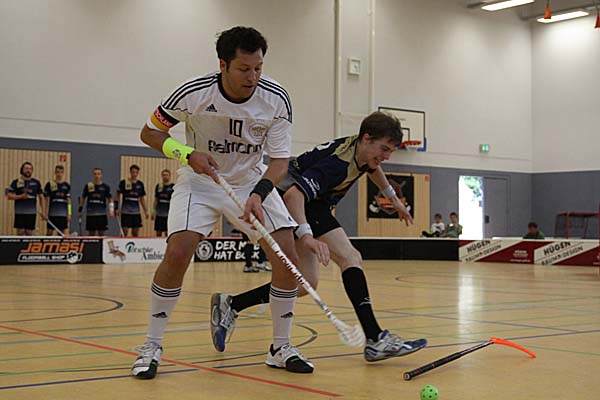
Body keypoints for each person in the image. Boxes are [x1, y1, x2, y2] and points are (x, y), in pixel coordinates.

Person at [132, 26, 313, 379]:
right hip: (200, 181)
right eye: (244, 69)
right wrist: (187, 154)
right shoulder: (193, 93)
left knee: (287, 257)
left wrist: (259, 194)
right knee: (178, 253)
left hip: (251, 182)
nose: (252, 77)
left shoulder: (276, 99)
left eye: (258, 68)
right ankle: (151, 345)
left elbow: (279, 161)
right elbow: (150, 132)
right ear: (223, 65)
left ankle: (280, 347)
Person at [212, 112, 427, 363]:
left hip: (312, 204)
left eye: (390, 151)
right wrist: (306, 236)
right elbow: (293, 196)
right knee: (350, 257)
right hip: (295, 203)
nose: (386, 157)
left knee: (304, 284)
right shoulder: (337, 165)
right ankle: (375, 338)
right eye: (384, 149)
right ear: (367, 138)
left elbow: (373, 168)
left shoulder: (361, 149)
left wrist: (394, 199)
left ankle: (232, 304)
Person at [6, 162, 45, 235]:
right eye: (26, 168)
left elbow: (41, 197)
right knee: (20, 232)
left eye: (30, 169)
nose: (28, 170)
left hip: (31, 212)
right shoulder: (16, 182)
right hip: (19, 212)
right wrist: (20, 196)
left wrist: (43, 211)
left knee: (29, 233)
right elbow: (9, 196)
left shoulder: (36, 182)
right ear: (22, 170)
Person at [117, 164, 149, 237]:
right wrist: (116, 207)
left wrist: (146, 211)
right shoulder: (124, 183)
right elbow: (117, 195)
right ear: (130, 172)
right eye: (133, 172)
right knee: (124, 232)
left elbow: (142, 199)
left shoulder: (140, 184)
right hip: (125, 212)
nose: (134, 174)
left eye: (136, 172)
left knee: (135, 232)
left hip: (136, 212)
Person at [80, 167, 114, 236]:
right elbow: (83, 197)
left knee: (101, 234)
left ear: (101, 175)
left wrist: (111, 209)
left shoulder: (105, 187)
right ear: (93, 175)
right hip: (91, 214)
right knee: (91, 234)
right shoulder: (89, 186)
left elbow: (110, 198)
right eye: (95, 174)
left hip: (102, 214)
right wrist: (80, 209)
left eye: (98, 174)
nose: (97, 176)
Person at [43, 165, 71, 235]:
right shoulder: (49, 184)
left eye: (61, 172)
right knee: (49, 233)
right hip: (52, 214)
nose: (59, 174)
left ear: (63, 173)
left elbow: (69, 201)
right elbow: (46, 200)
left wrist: (69, 213)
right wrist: (45, 213)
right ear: (55, 172)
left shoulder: (66, 185)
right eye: (57, 172)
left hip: (63, 215)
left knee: (62, 234)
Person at [152, 169, 174, 237]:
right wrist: (153, 211)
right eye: (164, 175)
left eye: (167, 175)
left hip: (169, 214)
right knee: (158, 232)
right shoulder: (159, 186)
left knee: (168, 232)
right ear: (161, 176)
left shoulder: (173, 187)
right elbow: (156, 199)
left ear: (169, 176)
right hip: (159, 214)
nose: (165, 176)